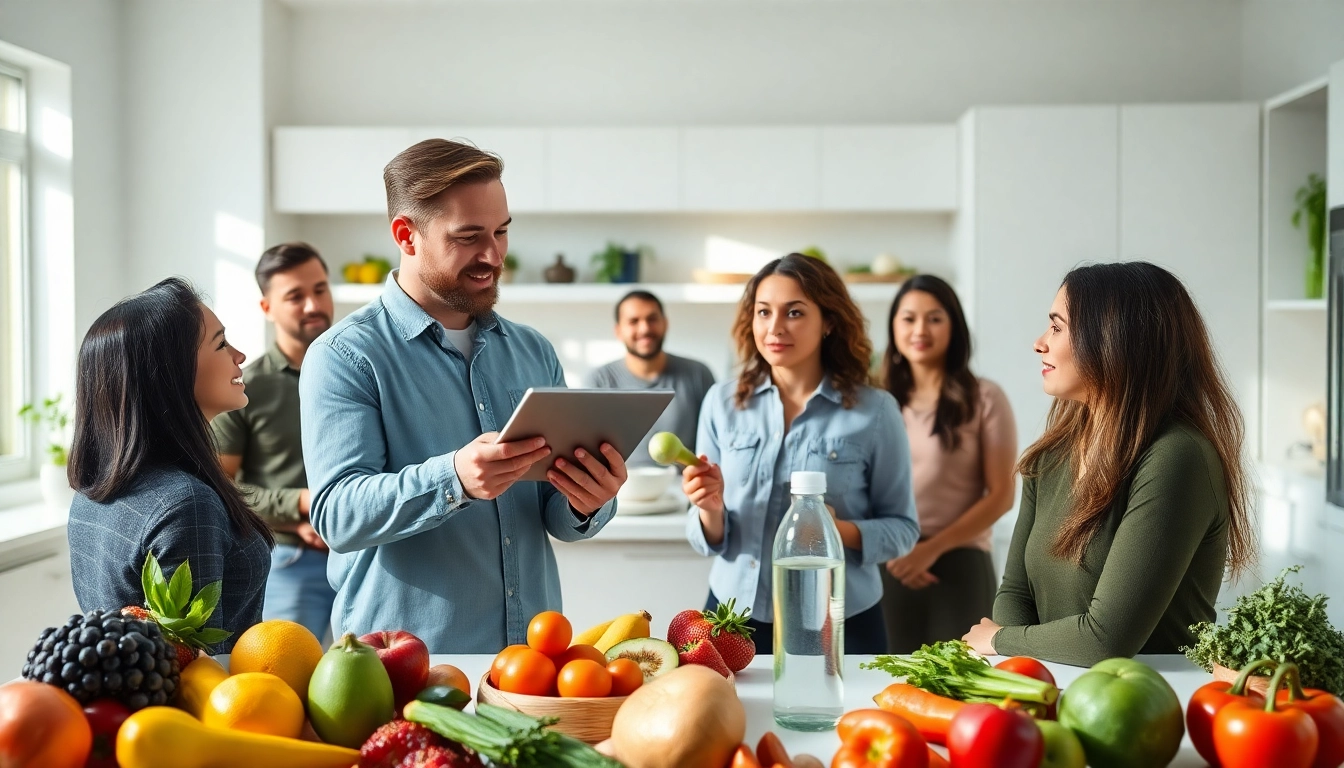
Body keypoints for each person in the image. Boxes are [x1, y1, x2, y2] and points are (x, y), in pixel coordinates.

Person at [300, 139, 627, 652]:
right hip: (405, 670)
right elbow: (338, 516)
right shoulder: (344, 356)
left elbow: (559, 518)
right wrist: (454, 478)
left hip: (531, 666)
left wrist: (589, 499)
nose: (493, 255)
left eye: (501, 232)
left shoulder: (532, 351)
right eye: (469, 236)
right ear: (406, 236)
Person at [963, 261, 1255, 666]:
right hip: (1060, 695)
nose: (1039, 343)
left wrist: (1001, 641)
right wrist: (1025, 676)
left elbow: (1105, 641)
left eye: (1057, 327)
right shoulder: (1050, 455)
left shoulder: (1177, 457)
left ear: (1114, 341)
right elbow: (1014, 592)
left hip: (1157, 705)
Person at [682, 253, 920, 655]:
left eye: (794, 312)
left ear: (828, 321)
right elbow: (706, 536)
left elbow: (903, 528)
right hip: (731, 615)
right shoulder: (721, 403)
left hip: (841, 618)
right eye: (763, 312)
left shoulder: (875, 411)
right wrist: (709, 508)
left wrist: (835, 530)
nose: (774, 328)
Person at [67, 278, 273, 651]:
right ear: (171, 372)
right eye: (221, 344)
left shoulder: (91, 492)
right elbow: (194, 666)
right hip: (210, 707)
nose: (239, 355)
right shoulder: (185, 504)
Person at [878, 276, 1017, 653]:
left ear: (954, 326)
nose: (920, 329)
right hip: (887, 563)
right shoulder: (875, 399)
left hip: (960, 565)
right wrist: (895, 550)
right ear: (893, 327)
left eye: (934, 318)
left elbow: (1002, 494)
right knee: (881, 687)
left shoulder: (984, 397)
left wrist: (931, 549)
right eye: (908, 319)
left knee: (960, 687)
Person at [211, 242, 337, 642]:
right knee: (283, 681)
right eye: (294, 296)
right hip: (289, 559)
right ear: (267, 308)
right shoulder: (244, 387)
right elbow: (220, 488)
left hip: (367, 555)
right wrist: (301, 505)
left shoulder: (365, 374)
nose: (311, 305)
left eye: (319, 289)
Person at [586, 290, 715, 468]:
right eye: (633, 321)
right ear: (618, 331)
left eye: (652, 319)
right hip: (621, 493)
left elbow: (715, 445)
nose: (645, 328)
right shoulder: (599, 381)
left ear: (665, 324)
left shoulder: (698, 375)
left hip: (684, 490)